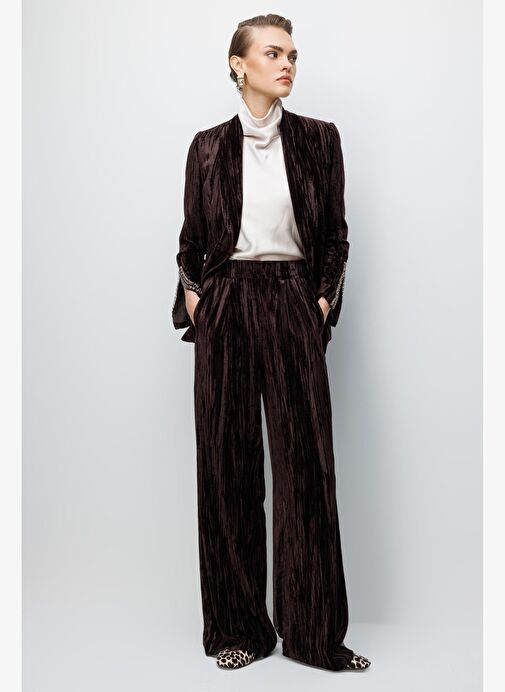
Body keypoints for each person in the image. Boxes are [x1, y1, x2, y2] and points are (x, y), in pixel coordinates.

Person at [171, 14, 371, 673]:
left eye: (292, 55)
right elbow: (191, 241)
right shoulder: (206, 148)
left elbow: (335, 237)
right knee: (225, 468)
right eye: (272, 52)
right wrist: (197, 296)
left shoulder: (318, 139)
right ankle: (238, 629)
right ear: (239, 64)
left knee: (306, 468)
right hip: (226, 301)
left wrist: (319, 302)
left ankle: (313, 636)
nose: (287, 64)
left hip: (292, 297)